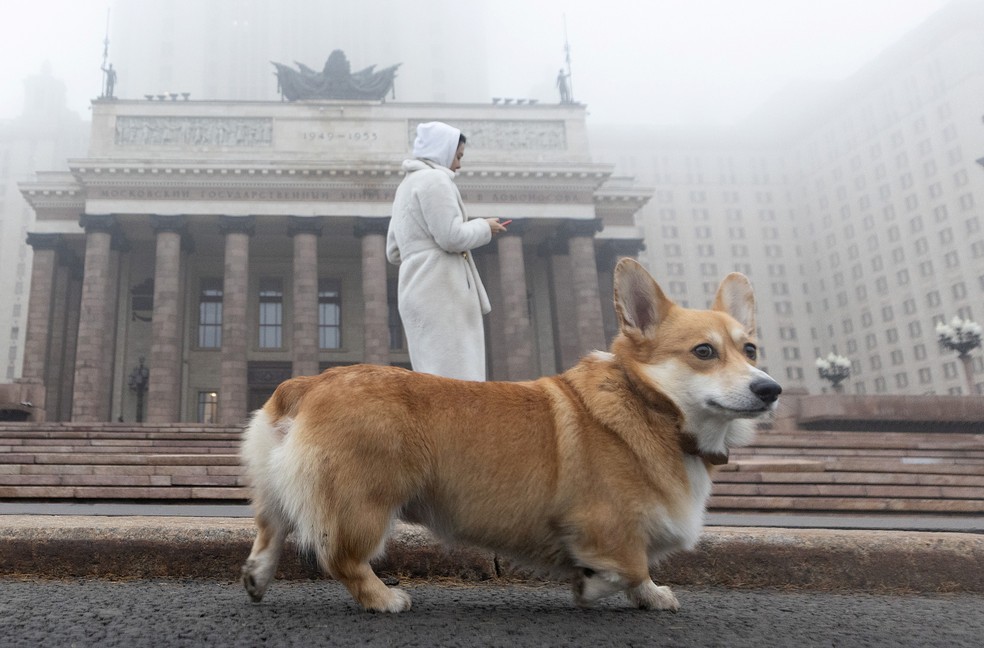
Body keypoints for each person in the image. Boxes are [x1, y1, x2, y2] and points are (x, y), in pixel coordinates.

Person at [386, 121, 508, 381]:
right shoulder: (435, 180)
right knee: (457, 380)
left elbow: (393, 251)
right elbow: (451, 237)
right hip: (442, 287)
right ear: (443, 150)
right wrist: (484, 227)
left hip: (414, 286)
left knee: (431, 375)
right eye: (458, 156)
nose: (459, 165)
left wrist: (417, 252)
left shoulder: (405, 186)